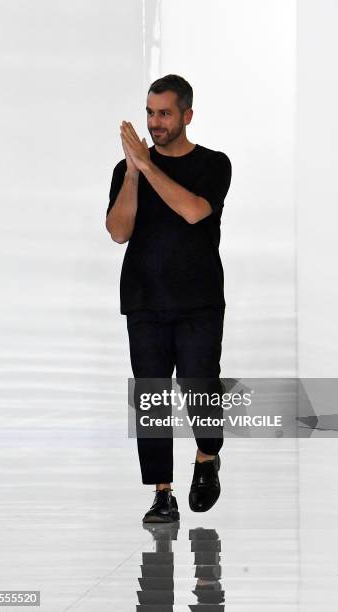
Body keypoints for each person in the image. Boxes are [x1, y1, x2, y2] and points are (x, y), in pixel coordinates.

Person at [105, 74, 232, 523]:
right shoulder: (128, 170)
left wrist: (148, 164)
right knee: (152, 398)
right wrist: (135, 172)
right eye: (150, 112)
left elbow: (193, 211)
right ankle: (163, 493)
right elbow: (119, 231)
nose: (155, 123)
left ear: (186, 116)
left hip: (197, 300)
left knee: (200, 385)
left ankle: (206, 457)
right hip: (144, 300)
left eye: (164, 113)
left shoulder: (214, 164)